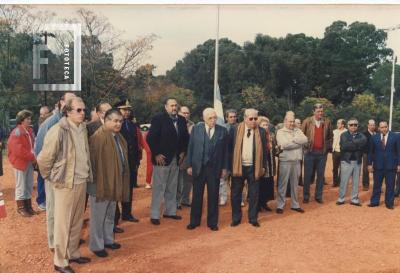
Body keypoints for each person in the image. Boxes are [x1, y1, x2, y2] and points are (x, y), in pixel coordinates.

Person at [38, 97, 92, 273]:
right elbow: (44, 159)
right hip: (65, 184)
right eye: (78, 110)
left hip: (81, 181)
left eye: (84, 110)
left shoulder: (82, 128)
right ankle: (60, 261)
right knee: (63, 223)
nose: (82, 113)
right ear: (68, 111)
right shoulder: (58, 130)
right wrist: (51, 177)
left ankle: (73, 252)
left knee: (76, 221)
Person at [35, 92, 76, 251]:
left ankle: (65, 240)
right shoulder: (50, 123)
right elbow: (40, 151)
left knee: (66, 210)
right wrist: (49, 175)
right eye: (69, 101)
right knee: (53, 210)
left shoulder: (71, 121)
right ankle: (54, 242)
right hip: (54, 176)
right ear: (61, 103)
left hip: (68, 175)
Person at [88, 109, 130, 258]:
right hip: (100, 185)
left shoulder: (117, 137)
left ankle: (108, 240)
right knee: (98, 217)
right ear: (106, 120)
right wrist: (99, 184)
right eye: (114, 120)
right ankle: (96, 245)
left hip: (113, 182)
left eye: (120, 121)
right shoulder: (98, 138)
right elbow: (93, 164)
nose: (118, 123)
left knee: (110, 215)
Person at [147, 98, 189, 225]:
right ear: (166, 107)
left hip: (176, 159)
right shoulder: (158, 119)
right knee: (159, 188)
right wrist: (156, 154)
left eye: (176, 105)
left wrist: (182, 152)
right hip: (162, 160)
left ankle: (170, 212)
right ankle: (155, 214)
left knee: (172, 187)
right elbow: (150, 138)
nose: (174, 108)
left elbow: (185, 138)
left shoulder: (181, 120)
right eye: (171, 105)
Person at [186, 108, 228, 231]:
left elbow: (226, 152)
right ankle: (194, 221)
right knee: (197, 196)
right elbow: (191, 147)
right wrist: (189, 165)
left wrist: (225, 168)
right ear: (204, 118)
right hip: (198, 167)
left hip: (215, 169)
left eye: (215, 117)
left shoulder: (223, 131)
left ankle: (212, 223)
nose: (213, 120)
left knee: (213, 196)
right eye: (210, 118)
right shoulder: (196, 129)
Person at [230, 109, 267, 228]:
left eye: (256, 119)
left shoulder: (261, 131)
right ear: (245, 118)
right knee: (236, 194)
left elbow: (265, 152)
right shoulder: (235, 129)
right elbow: (229, 149)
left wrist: (263, 166)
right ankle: (236, 218)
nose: (253, 121)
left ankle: (253, 218)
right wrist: (229, 166)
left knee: (254, 194)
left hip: (254, 167)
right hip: (238, 167)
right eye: (251, 119)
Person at [114, 99, 143, 224]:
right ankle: (115, 216)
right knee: (116, 190)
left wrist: (136, 162)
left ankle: (127, 213)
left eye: (128, 109)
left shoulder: (131, 125)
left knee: (128, 189)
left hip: (131, 163)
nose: (126, 112)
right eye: (124, 109)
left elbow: (135, 144)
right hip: (118, 162)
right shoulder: (115, 125)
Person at [276, 111, 308, 214]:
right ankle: (280, 205)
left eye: (293, 121)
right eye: (290, 121)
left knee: (295, 184)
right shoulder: (280, 132)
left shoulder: (297, 130)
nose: (292, 123)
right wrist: (297, 143)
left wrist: (293, 140)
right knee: (282, 184)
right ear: (285, 121)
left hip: (296, 161)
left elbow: (305, 139)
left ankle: (295, 204)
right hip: (285, 161)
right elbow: (284, 144)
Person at [301, 103, 333, 204]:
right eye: (318, 111)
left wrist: (327, 148)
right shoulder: (307, 121)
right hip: (309, 152)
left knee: (320, 176)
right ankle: (306, 196)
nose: (320, 113)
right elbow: (301, 135)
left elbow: (330, 137)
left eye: (321, 111)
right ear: (313, 111)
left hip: (322, 153)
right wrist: (305, 146)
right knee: (307, 176)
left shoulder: (327, 122)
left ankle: (318, 196)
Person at [7, 110, 36, 217]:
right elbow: (18, 150)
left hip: (28, 161)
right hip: (20, 163)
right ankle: (21, 208)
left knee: (28, 184)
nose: (30, 120)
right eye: (27, 119)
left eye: (30, 118)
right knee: (21, 185)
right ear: (21, 120)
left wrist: (32, 156)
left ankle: (28, 206)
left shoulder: (29, 131)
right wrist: (32, 157)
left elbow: (31, 146)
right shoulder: (17, 132)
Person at [367, 121, 400, 210]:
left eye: (385, 127)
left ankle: (389, 203)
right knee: (377, 185)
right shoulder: (374, 138)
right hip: (378, 166)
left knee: (390, 185)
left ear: (388, 126)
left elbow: (399, 151)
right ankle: (374, 202)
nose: (384, 129)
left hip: (391, 165)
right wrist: (369, 164)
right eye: (382, 127)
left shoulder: (396, 136)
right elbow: (370, 152)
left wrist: (399, 164)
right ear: (379, 128)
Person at [335, 118, 366, 206]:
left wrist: (351, 143)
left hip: (357, 161)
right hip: (346, 161)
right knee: (344, 181)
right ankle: (341, 199)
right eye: (351, 125)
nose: (353, 126)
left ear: (357, 126)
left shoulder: (361, 135)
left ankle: (354, 199)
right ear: (348, 126)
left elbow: (364, 143)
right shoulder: (343, 135)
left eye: (355, 125)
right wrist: (357, 144)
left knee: (356, 182)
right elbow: (344, 146)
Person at [176, 106, 195, 209]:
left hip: (190, 157)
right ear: (179, 113)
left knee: (188, 180)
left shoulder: (193, 126)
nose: (186, 115)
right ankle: (177, 202)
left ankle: (185, 200)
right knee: (178, 181)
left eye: (187, 113)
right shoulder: (175, 124)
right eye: (184, 113)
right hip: (179, 156)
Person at [35, 106, 52, 211]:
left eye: (44, 114)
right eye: (41, 114)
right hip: (41, 156)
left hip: (46, 156)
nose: (43, 116)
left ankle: (45, 200)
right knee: (41, 179)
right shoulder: (40, 125)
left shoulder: (50, 123)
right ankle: (41, 201)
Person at [258, 116, 276, 212]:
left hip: (270, 163)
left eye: (266, 125)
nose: (266, 127)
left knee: (268, 185)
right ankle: (257, 205)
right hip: (261, 164)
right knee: (260, 185)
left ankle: (264, 203)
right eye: (263, 125)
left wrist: (278, 149)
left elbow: (275, 150)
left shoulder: (271, 135)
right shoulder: (256, 135)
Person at [219, 109, 238, 206]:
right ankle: (223, 198)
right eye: (231, 117)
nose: (233, 118)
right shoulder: (222, 128)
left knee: (237, 180)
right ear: (226, 118)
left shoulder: (240, 128)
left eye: (234, 116)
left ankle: (239, 199)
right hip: (225, 157)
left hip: (236, 158)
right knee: (223, 178)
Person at [332, 119, 347, 187]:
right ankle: (335, 182)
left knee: (342, 168)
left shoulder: (347, 132)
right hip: (335, 152)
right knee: (335, 168)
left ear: (343, 125)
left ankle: (340, 182)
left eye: (339, 123)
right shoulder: (334, 131)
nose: (337, 124)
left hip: (343, 152)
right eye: (337, 123)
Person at [362, 119, 376, 191]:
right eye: (371, 125)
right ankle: (365, 185)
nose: (372, 126)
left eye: (373, 125)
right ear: (368, 125)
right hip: (366, 154)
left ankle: (377, 185)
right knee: (365, 169)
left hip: (376, 154)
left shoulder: (377, 134)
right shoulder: (364, 134)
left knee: (377, 169)